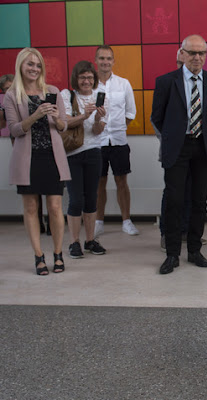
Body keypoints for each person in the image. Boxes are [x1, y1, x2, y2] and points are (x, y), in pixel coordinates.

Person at [151, 34, 207, 274]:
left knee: (199, 202)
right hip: (177, 149)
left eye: (202, 53)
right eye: (192, 53)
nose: (197, 57)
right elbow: (157, 117)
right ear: (182, 54)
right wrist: (174, 138)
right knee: (174, 201)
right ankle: (172, 254)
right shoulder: (166, 81)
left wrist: (201, 134)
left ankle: (194, 249)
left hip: (202, 147)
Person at [4, 48, 70, 275]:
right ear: (21, 66)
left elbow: (63, 127)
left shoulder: (52, 91)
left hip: (52, 157)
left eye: (38, 65)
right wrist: (35, 115)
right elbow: (13, 129)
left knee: (54, 207)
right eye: (30, 64)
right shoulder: (12, 95)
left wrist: (55, 118)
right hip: (27, 159)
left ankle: (58, 254)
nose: (34, 69)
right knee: (31, 208)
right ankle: (39, 256)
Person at [61, 61, 108, 258]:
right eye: (82, 77)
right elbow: (62, 123)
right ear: (76, 79)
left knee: (91, 198)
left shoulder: (101, 98)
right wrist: (84, 115)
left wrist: (97, 119)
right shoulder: (67, 95)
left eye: (89, 77)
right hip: (73, 153)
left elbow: (98, 131)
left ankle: (90, 240)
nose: (86, 81)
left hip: (94, 152)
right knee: (75, 199)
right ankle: (74, 242)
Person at [93, 45, 139, 237]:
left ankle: (126, 221)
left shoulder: (124, 84)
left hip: (119, 141)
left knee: (122, 181)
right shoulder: (89, 85)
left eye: (109, 58)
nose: (105, 62)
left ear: (113, 61)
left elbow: (130, 113)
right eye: (102, 58)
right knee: (99, 182)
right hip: (96, 141)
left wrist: (117, 127)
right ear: (96, 60)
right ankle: (98, 221)